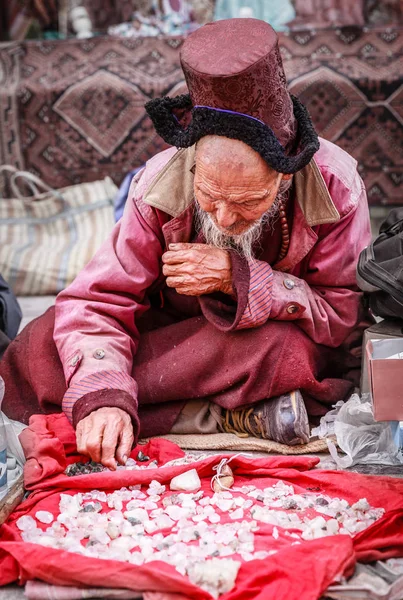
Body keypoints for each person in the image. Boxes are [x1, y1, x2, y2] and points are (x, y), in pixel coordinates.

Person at [0, 18, 371, 469]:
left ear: (284, 175)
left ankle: (184, 410)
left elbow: (341, 317)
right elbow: (98, 301)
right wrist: (103, 393)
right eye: (210, 197)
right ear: (193, 165)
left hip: (256, 344)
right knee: (40, 348)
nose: (225, 218)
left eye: (249, 202)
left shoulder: (336, 187)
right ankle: (214, 414)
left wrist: (242, 280)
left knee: (288, 355)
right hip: (174, 338)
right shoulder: (160, 182)